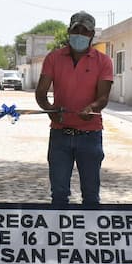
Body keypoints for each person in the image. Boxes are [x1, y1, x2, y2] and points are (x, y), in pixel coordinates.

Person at [35, 11, 113, 206]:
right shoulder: (53, 58)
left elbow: (103, 97)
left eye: (85, 31)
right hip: (60, 135)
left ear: (92, 35)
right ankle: (60, 234)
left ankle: (90, 235)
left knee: (91, 194)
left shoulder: (104, 61)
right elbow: (41, 92)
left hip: (90, 135)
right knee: (59, 194)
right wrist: (51, 110)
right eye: (75, 29)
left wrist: (92, 107)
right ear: (69, 31)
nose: (80, 34)